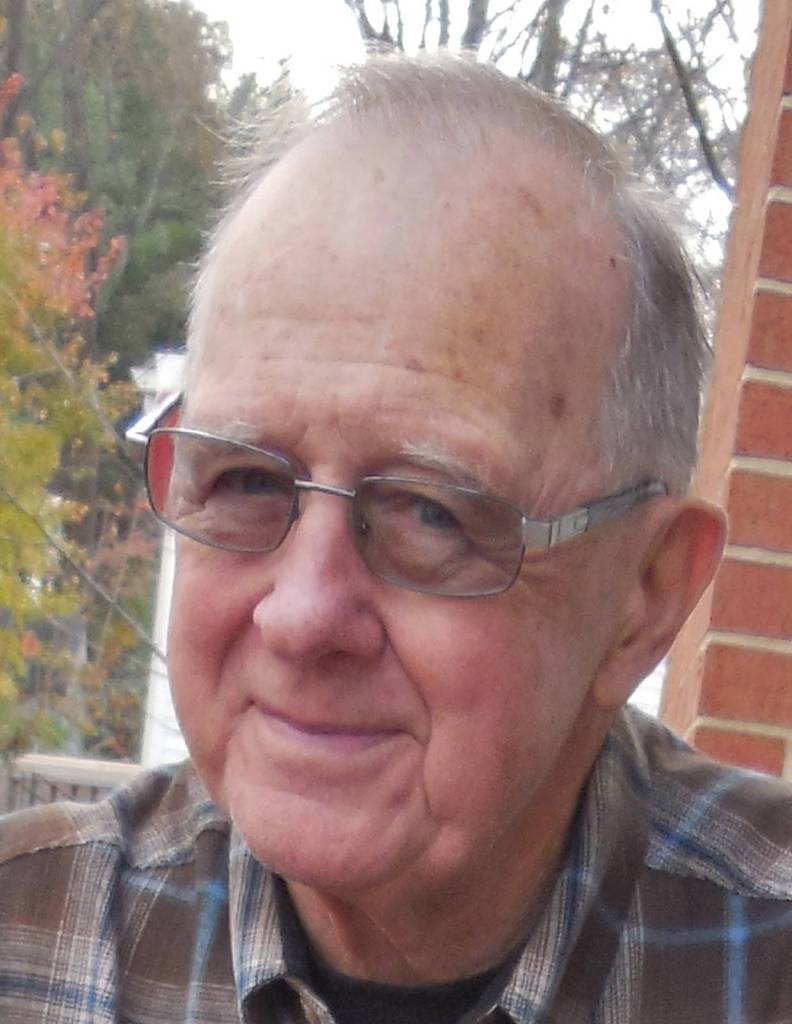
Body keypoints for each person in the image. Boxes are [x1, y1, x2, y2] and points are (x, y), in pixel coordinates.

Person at [2, 53, 792, 1024]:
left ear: (646, 591)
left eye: (431, 512)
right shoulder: (27, 945)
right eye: (246, 480)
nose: (302, 616)